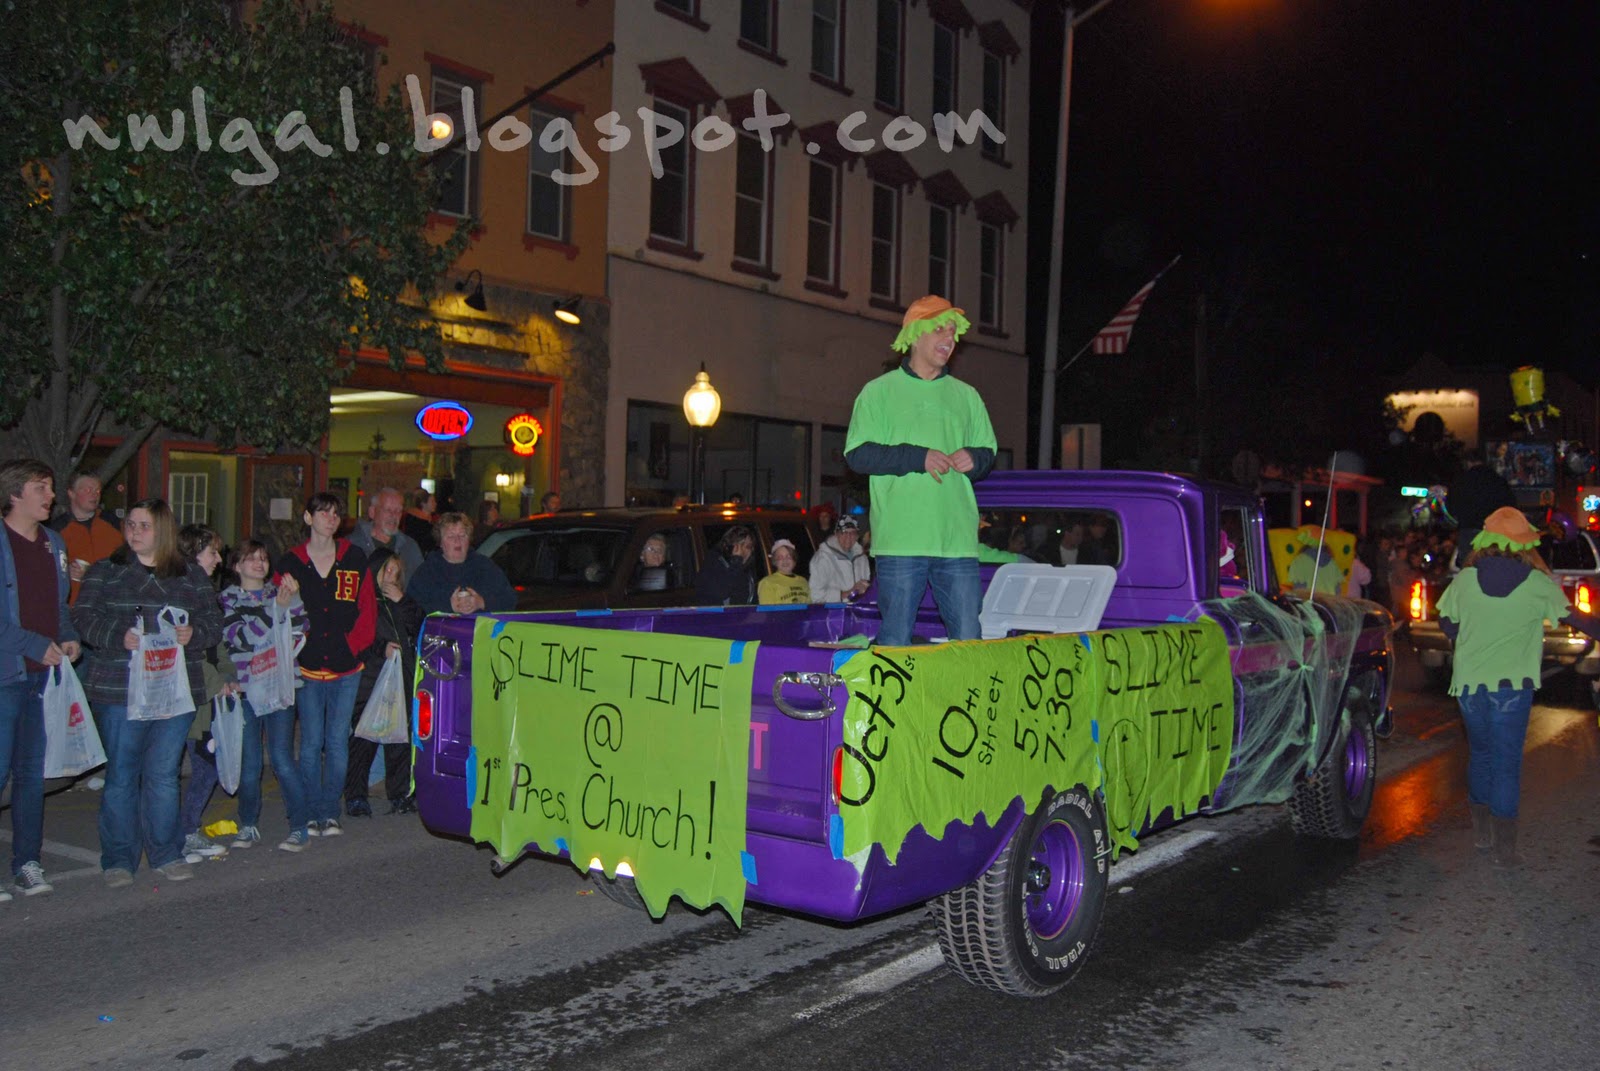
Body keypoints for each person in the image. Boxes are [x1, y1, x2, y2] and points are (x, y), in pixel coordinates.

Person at [1437, 507, 1600, 866]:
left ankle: (1482, 835)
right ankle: (1505, 852)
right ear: (1525, 543)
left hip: (1468, 685)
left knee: (1480, 755)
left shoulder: (1464, 580)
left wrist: (1471, 630)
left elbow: (1447, 624)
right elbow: (1576, 619)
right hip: (1512, 686)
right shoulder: (1537, 583)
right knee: (1506, 762)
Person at [73, 499, 224, 886]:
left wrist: (195, 635)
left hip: (174, 692)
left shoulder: (190, 575)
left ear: (163, 531)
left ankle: (165, 853)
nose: (134, 531)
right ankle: (119, 859)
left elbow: (212, 620)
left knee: (163, 775)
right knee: (122, 776)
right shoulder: (107, 571)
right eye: (131, 524)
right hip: (120, 689)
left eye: (144, 525)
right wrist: (117, 636)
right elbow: (84, 617)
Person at [844, 295, 995, 645]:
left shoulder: (967, 396)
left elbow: (988, 453)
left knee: (969, 638)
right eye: (940, 329)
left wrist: (976, 458)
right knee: (895, 638)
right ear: (914, 335)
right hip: (901, 540)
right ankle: (891, 702)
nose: (950, 338)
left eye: (954, 332)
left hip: (957, 540)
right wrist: (918, 457)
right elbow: (858, 455)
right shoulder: (877, 393)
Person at [0, 459, 81, 899]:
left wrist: (68, 638)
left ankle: (26, 862)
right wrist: (33, 644)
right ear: (15, 494)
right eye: (42, 488)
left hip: (40, 679)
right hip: (6, 675)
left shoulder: (54, 542)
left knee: (32, 775)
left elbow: (60, 606)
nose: (51, 496)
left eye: (50, 488)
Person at [275, 492, 376, 843]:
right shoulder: (290, 563)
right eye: (323, 512)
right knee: (310, 742)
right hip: (306, 667)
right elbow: (278, 615)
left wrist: (351, 646)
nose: (330, 518)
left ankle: (330, 810)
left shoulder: (354, 558)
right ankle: (311, 810)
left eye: (336, 513)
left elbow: (368, 611)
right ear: (307, 518)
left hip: (347, 666)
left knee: (336, 741)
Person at [219, 539, 309, 852]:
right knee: (250, 764)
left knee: (283, 759)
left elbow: (301, 626)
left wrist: (293, 599)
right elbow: (239, 638)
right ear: (237, 565)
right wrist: (275, 611)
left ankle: (300, 825)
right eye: (251, 558)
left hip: (280, 686)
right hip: (246, 690)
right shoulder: (229, 598)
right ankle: (248, 823)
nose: (259, 564)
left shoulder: (277, 593)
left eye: (263, 558)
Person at [174, 524, 241, 864]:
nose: (218, 559)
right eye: (212, 551)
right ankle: (182, 833)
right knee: (202, 765)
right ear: (193, 552)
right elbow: (190, 653)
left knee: (205, 765)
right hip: (193, 695)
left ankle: (183, 832)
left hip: (208, 692)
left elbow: (217, 644)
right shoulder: (185, 591)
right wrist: (219, 681)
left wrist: (228, 674)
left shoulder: (204, 590)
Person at [345, 547, 425, 817]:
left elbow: (420, 624)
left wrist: (403, 600)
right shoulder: (363, 601)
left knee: (399, 740)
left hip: (399, 680)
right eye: (386, 569)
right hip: (370, 682)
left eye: (396, 571)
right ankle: (355, 795)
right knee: (363, 740)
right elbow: (357, 638)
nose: (391, 575)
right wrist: (382, 648)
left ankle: (400, 794)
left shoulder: (400, 601)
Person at [407, 513, 517, 615]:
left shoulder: (485, 567)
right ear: (440, 542)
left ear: (469, 540)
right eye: (451, 536)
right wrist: (449, 607)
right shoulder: (427, 572)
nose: (457, 541)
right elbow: (411, 611)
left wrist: (482, 602)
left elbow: (510, 600)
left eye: (462, 535)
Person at [51, 472, 123, 603]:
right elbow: (46, 572)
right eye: (88, 490)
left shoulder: (113, 523)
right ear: (71, 493)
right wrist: (66, 573)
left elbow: (128, 563)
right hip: (76, 606)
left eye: (97, 491)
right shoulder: (56, 530)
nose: (95, 494)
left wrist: (92, 574)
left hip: (112, 603)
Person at [1448, 456, 1516, 567]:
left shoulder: (1461, 481)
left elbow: (1451, 509)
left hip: (1469, 531)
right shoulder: (1498, 481)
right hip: (1494, 533)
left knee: (1469, 567)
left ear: (1469, 462)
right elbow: (1510, 506)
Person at [348, 486, 423, 580]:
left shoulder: (409, 548)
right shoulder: (352, 546)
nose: (394, 516)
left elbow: (421, 586)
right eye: (388, 510)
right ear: (372, 512)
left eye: (398, 511)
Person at [809, 514, 871, 603]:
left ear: (857, 536)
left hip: (857, 613)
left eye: (852, 533)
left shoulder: (862, 558)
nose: (848, 537)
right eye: (844, 532)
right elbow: (815, 596)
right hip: (833, 614)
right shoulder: (823, 557)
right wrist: (848, 593)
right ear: (836, 534)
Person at [693, 526, 757, 606]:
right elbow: (721, 592)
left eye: (748, 547)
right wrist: (736, 561)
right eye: (738, 546)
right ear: (728, 546)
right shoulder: (713, 563)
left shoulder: (748, 573)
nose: (742, 551)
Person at [1287, 525, 1343, 595]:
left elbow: (1299, 591)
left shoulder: (1299, 561)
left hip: (1308, 604)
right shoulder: (1332, 563)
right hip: (1327, 604)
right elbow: (1338, 591)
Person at [758, 540, 810, 604]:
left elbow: (810, 606)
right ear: (775, 561)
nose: (785, 560)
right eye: (780, 557)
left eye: (788, 556)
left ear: (794, 559)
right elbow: (768, 612)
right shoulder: (767, 583)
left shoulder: (803, 581)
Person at [400, 488, 437, 556]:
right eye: (432, 501)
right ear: (423, 504)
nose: (435, 504)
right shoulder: (415, 521)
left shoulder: (431, 520)